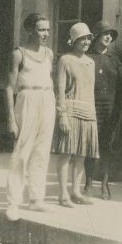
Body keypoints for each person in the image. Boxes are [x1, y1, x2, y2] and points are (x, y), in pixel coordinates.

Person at [5, 14, 55, 221]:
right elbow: (9, 87)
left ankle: (36, 199)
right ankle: (14, 202)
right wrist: (11, 118)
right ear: (30, 31)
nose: (46, 34)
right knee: (21, 153)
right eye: (41, 30)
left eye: (48, 30)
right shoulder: (19, 54)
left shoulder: (50, 54)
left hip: (47, 100)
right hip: (27, 100)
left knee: (41, 152)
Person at [52, 22, 99, 207]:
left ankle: (76, 192)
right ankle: (63, 194)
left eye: (88, 38)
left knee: (81, 155)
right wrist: (62, 114)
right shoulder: (65, 60)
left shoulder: (91, 62)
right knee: (67, 153)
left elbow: (90, 91)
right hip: (70, 111)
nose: (86, 42)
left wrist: (93, 114)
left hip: (88, 112)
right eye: (82, 38)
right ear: (73, 40)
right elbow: (60, 90)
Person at [84, 21, 122, 200]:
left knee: (107, 147)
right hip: (91, 107)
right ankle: (88, 184)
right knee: (90, 147)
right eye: (105, 34)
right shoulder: (87, 58)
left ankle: (104, 185)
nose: (108, 37)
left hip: (111, 109)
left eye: (110, 35)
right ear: (96, 36)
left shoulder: (115, 59)